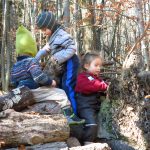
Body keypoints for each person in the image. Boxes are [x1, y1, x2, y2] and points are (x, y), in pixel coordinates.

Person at [1, 25, 84, 125]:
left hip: (21, 93)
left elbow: (13, 81)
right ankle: (69, 117)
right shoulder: (31, 61)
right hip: (33, 92)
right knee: (61, 94)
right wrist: (50, 82)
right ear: (31, 48)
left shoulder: (15, 66)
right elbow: (38, 76)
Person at [35, 11, 79, 115]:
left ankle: (74, 114)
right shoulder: (52, 36)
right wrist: (37, 57)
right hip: (61, 65)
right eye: (42, 30)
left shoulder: (61, 34)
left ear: (51, 25)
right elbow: (48, 48)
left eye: (45, 29)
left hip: (70, 62)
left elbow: (72, 48)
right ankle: (64, 112)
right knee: (59, 88)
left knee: (68, 86)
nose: (44, 32)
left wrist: (57, 58)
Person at [75, 52, 109, 145]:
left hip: (94, 106)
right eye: (96, 65)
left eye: (100, 66)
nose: (99, 68)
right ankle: (87, 143)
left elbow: (99, 83)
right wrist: (105, 86)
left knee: (98, 123)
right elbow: (92, 85)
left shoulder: (94, 77)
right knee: (91, 124)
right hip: (85, 107)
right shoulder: (82, 77)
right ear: (86, 66)